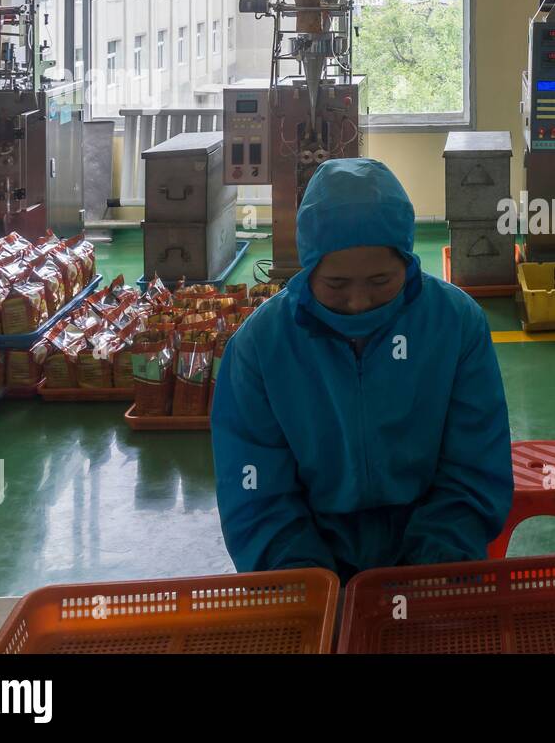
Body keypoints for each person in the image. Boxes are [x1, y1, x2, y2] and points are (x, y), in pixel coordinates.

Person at [211, 158, 514, 580]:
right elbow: (255, 489)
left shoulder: (455, 324)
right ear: (308, 267)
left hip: (435, 547)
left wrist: (434, 570)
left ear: (407, 264)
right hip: (310, 553)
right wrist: (306, 583)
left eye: (379, 281)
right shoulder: (261, 348)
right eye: (336, 285)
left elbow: (474, 464)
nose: (358, 302)